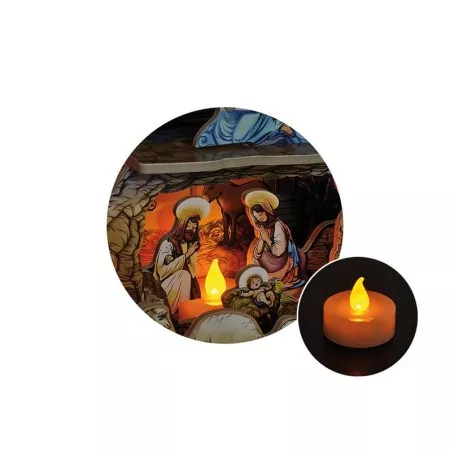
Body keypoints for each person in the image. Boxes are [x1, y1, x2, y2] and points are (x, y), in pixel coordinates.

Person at [152, 197, 210, 315]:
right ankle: (182, 312)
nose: (192, 230)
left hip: (184, 285)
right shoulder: (168, 243)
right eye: (189, 226)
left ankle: (185, 313)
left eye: (195, 228)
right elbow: (162, 271)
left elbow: (192, 272)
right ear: (181, 225)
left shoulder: (189, 244)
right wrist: (187, 254)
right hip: (164, 288)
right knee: (184, 275)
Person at [243, 190, 306, 289]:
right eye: (256, 217)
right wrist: (262, 241)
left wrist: (267, 239)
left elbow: (279, 251)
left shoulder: (278, 225)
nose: (259, 218)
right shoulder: (263, 227)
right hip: (269, 261)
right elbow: (257, 254)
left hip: (281, 261)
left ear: (267, 210)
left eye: (260, 214)